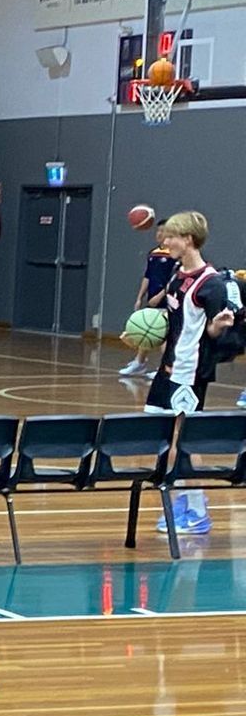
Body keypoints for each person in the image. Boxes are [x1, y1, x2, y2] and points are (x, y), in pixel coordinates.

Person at [145, 210, 242, 534]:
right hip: (167, 369)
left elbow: (221, 338)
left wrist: (215, 328)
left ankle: (198, 510)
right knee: (163, 436)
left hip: (189, 374)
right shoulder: (177, 273)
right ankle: (183, 500)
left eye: (171, 236)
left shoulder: (211, 284)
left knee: (183, 439)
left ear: (187, 240)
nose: (165, 241)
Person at [119, 221, 177, 378]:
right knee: (146, 330)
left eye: (163, 231)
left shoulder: (174, 255)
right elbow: (147, 276)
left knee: (164, 334)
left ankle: (164, 367)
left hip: (167, 300)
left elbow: (175, 279)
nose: (159, 234)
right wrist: (140, 297)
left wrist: (160, 296)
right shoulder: (153, 253)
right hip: (152, 300)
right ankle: (139, 363)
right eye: (158, 231)